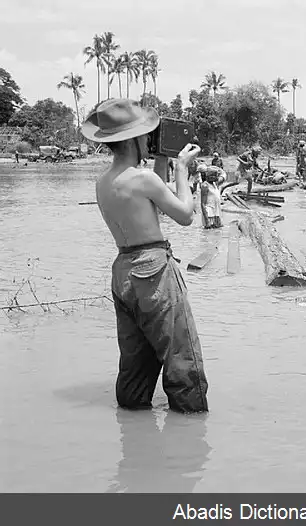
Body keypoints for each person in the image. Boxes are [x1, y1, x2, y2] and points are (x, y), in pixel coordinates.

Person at [80, 98, 209, 413]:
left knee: (136, 358)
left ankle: (135, 428)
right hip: (153, 269)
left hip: (124, 270)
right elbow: (184, 215)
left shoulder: (105, 182)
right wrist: (181, 168)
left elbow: (150, 203)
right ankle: (190, 427)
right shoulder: (143, 178)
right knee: (182, 353)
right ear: (134, 138)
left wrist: (163, 162)